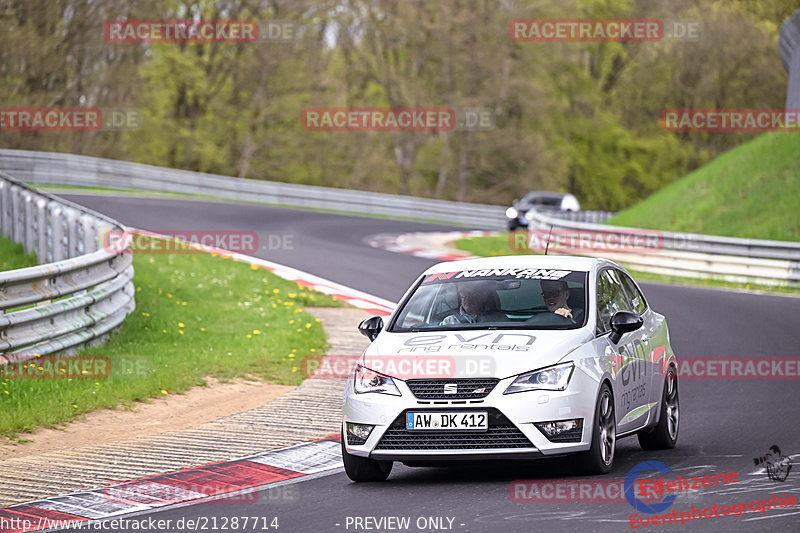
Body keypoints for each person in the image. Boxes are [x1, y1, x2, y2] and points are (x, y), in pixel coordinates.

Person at [440, 281, 506, 325]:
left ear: (483, 296)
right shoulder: (448, 322)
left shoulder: (499, 320)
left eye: (472, 293)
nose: (468, 298)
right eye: (463, 293)